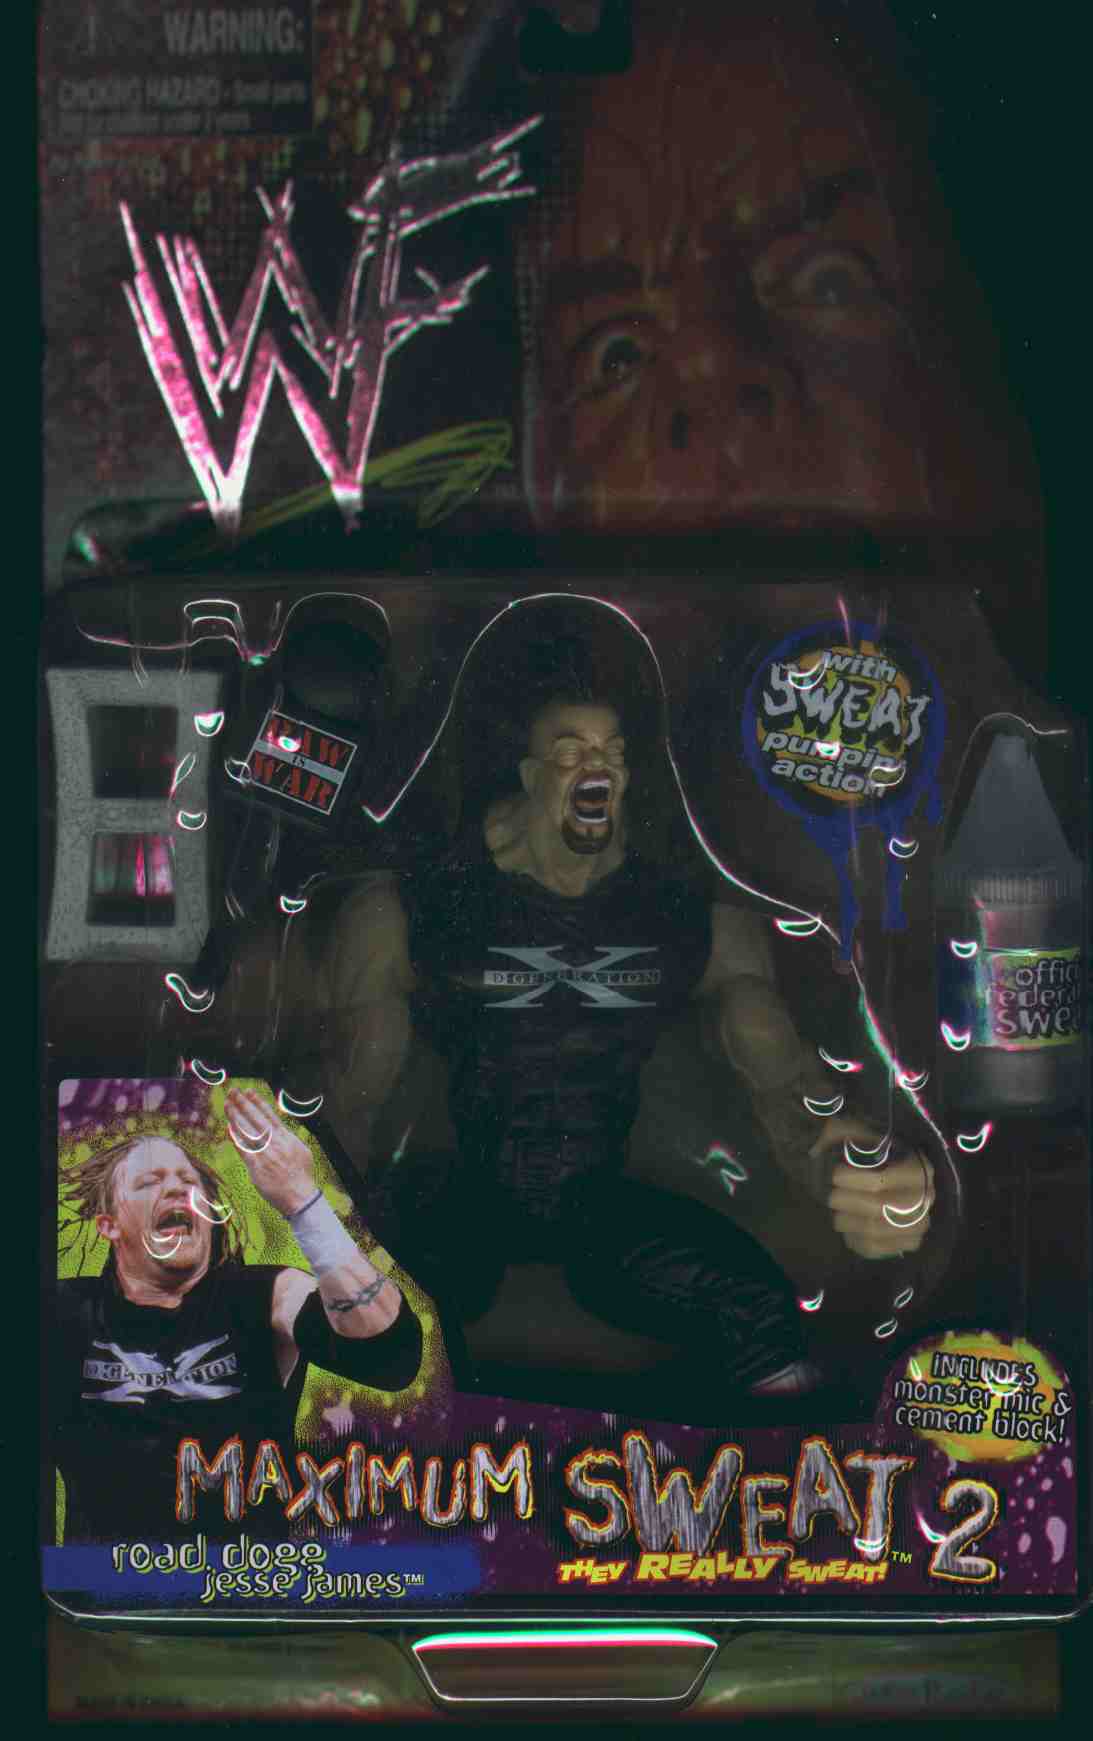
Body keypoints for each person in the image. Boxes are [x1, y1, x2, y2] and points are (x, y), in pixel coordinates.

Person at [319, 691, 934, 1400]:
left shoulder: (682, 915)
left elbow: (780, 1079)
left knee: (759, 1311)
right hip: (462, 1205)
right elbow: (342, 1103)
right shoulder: (420, 908)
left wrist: (853, 1171)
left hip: (601, 1211)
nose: (598, 765)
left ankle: (791, 1454)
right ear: (529, 775)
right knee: (358, 1305)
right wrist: (309, 1221)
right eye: (571, 750)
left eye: (612, 752)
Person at [55, 1087, 422, 1541]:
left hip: (240, 1580)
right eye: (149, 1182)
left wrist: (303, 1202)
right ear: (108, 1223)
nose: (177, 1187)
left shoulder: (262, 1295)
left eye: (188, 1181)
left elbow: (388, 1354)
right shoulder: (66, 1310)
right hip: (106, 1583)